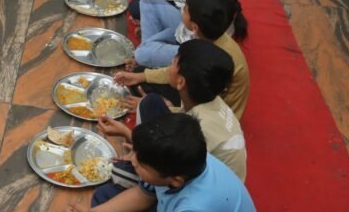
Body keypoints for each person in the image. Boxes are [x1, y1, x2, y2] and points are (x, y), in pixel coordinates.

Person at [47, 114, 265, 212]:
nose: (131, 160)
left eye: (141, 163)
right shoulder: (183, 160)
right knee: (104, 197)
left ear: (176, 180)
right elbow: (144, 194)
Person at [102, 40, 247, 182]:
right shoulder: (205, 96)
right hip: (189, 162)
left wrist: (128, 138)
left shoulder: (199, 130)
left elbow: (173, 174)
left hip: (200, 185)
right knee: (149, 103)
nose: (169, 65)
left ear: (181, 82)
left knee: (118, 172)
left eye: (173, 62)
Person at [119, 0, 251, 119]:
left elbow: (200, 112)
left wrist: (158, 108)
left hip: (213, 117)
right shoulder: (211, 35)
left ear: (195, 27)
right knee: (139, 74)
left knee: (145, 94)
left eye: (185, 10)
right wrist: (141, 76)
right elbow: (179, 68)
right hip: (200, 94)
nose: (181, 11)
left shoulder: (207, 58)